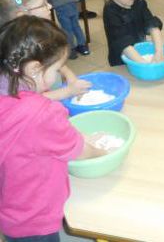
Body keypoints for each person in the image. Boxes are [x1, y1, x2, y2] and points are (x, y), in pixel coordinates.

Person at [0, 15, 107, 242]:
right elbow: (80, 151)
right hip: (36, 218)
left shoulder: (6, 88)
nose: (59, 75)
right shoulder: (41, 113)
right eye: (57, 69)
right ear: (34, 69)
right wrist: (104, 150)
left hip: (12, 212)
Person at [0, 0, 90, 100]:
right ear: (22, 16)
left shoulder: (38, 34)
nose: (50, 6)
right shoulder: (10, 66)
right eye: (43, 3)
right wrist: (68, 92)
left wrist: (69, 74)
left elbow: (53, 57)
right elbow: (30, 102)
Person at [98, 0, 164, 66]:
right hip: (121, 61)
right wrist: (145, 65)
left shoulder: (138, 2)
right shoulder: (110, 12)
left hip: (139, 51)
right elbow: (124, 45)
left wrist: (159, 52)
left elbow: (152, 25)